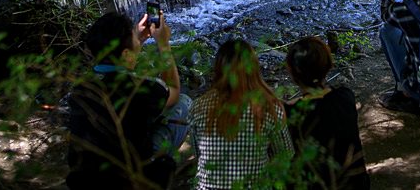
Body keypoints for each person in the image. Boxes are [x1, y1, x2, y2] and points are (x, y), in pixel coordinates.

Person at [67, 11, 191, 189]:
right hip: (129, 180)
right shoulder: (141, 90)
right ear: (125, 54)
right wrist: (163, 44)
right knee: (183, 103)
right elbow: (174, 90)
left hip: (85, 181)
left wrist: (136, 42)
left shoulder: (80, 89)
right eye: (133, 36)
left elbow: (117, 67)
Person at [188, 38, 293, 189]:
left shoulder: (198, 106)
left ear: (218, 69)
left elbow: (198, 155)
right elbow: (285, 156)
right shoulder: (269, 107)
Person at [285, 37, 370, 190]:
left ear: (291, 72)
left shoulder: (292, 113)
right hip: (356, 184)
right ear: (328, 65)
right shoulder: (345, 97)